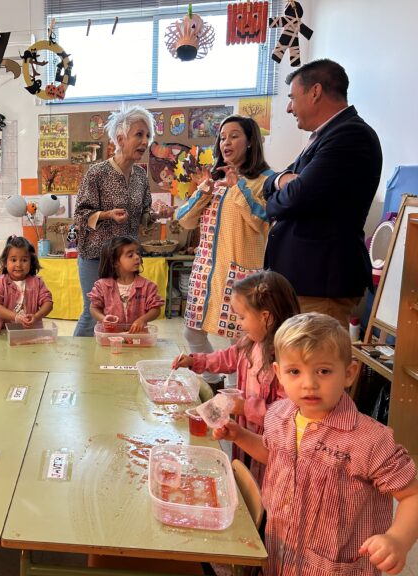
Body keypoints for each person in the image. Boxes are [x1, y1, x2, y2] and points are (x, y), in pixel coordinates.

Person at [214, 313, 418, 576]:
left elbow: (412, 495)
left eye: (323, 371)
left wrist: (398, 539)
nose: (309, 384)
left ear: (349, 373)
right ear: (279, 373)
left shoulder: (370, 440)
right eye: (294, 371)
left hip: (336, 569)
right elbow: (274, 455)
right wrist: (240, 436)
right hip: (279, 555)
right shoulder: (277, 415)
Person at [263, 59, 382, 326]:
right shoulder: (324, 137)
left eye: (292, 98)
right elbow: (269, 185)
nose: (289, 107)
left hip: (321, 284)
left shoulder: (350, 135)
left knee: (315, 353)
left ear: (315, 92)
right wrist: (281, 181)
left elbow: (295, 198)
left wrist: (281, 190)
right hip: (303, 281)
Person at [172, 270, 299, 482]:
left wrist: (245, 407)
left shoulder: (288, 361)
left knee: (258, 487)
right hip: (244, 438)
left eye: (242, 317)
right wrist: (195, 361)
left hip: (269, 450)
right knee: (242, 476)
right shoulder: (250, 342)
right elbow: (226, 358)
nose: (239, 323)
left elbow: (288, 415)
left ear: (266, 317)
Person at [176, 115, 273, 389]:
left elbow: (262, 222)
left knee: (240, 340)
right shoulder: (215, 178)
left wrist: (238, 187)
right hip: (206, 272)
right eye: (222, 137)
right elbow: (185, 220)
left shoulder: (264, 180)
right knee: (192, 331)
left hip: (241, 275)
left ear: (250, 141)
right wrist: (203, 192)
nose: (226, 142)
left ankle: (235, 392)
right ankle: (213, 383)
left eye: (234, 136)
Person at [72, 105, 174, 336]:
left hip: (126, 259)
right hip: (95, 256)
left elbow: (144, 215)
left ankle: (113, 352)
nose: (145, 141)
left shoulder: (141, 176)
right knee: (93, 311)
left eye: (147, 135)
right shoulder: (97, 173)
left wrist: (158, 215)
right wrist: (107, 215)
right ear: (120, 139)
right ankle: (80, 356)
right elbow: (80, 214)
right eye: (139, 134)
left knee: (122, 312)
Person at [88, 236, 164, 333]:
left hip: (138, 337)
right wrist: (103, 319)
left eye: (137, 253)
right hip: (111, 336)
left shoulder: (147, 286)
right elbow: (94, 308)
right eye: (130, 255)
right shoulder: (102, 286)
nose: (137, 257)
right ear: (115, 262)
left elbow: (156, 309)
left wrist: (142, 320)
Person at [0, 236, 53, 335]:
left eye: (24, 260)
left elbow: (48, 303)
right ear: (5, 263)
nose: (18, 264)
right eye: (13, 260)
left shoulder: (37, 283)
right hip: (3, 334)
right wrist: (15, 317)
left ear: (31, 263)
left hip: (30, 334)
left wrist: (36, 317)